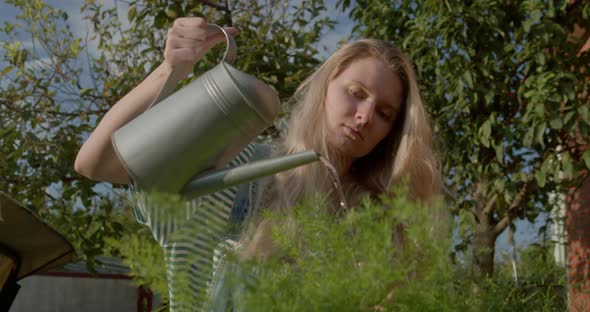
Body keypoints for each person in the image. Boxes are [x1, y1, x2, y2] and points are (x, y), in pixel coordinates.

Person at [74, 16, 442, 311]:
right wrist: (171, 69)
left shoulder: (382, 223)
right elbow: (99, 163)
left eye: (384, 113)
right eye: (356, 93)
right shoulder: (244, 174)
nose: (364, 116)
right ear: (325, 87)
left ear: (392, 133)